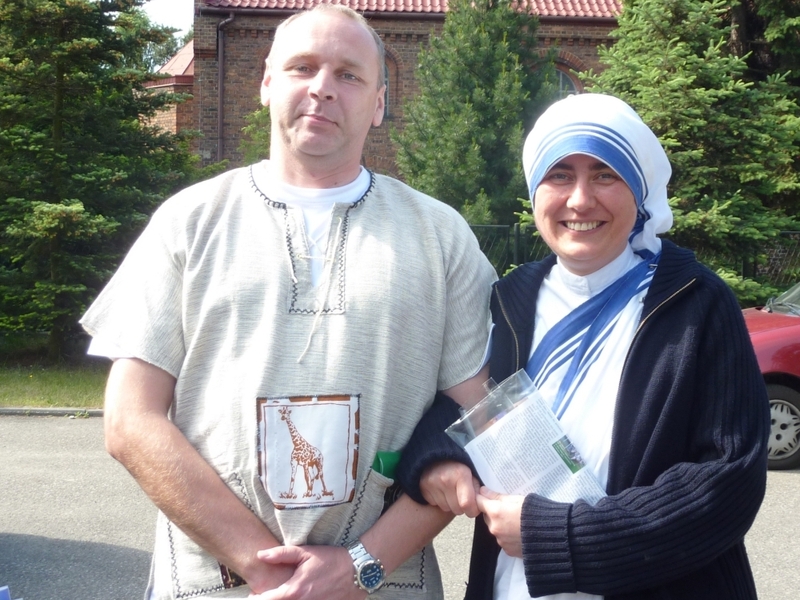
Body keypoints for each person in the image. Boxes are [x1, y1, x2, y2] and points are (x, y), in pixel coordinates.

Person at [79, 5, 495, 599]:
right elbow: (129, 421)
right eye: (303, 67)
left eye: (349, 75)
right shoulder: (188, 222)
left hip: (385, 582)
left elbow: (472, 419)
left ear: (379, 102)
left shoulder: (440, 235)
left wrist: (359, 566)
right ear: (267, 83)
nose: (323, 88)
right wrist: (265, 568)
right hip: (216, 582)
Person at [396, 93, 770, 600]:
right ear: (535, 192)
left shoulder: (697, 302)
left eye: (604, 175)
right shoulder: (510, 299)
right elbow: (465, 400)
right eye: (559, 175)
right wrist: (437, 457)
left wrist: (561, 537)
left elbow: (729, 481)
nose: (579, 200)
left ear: (638, 190)